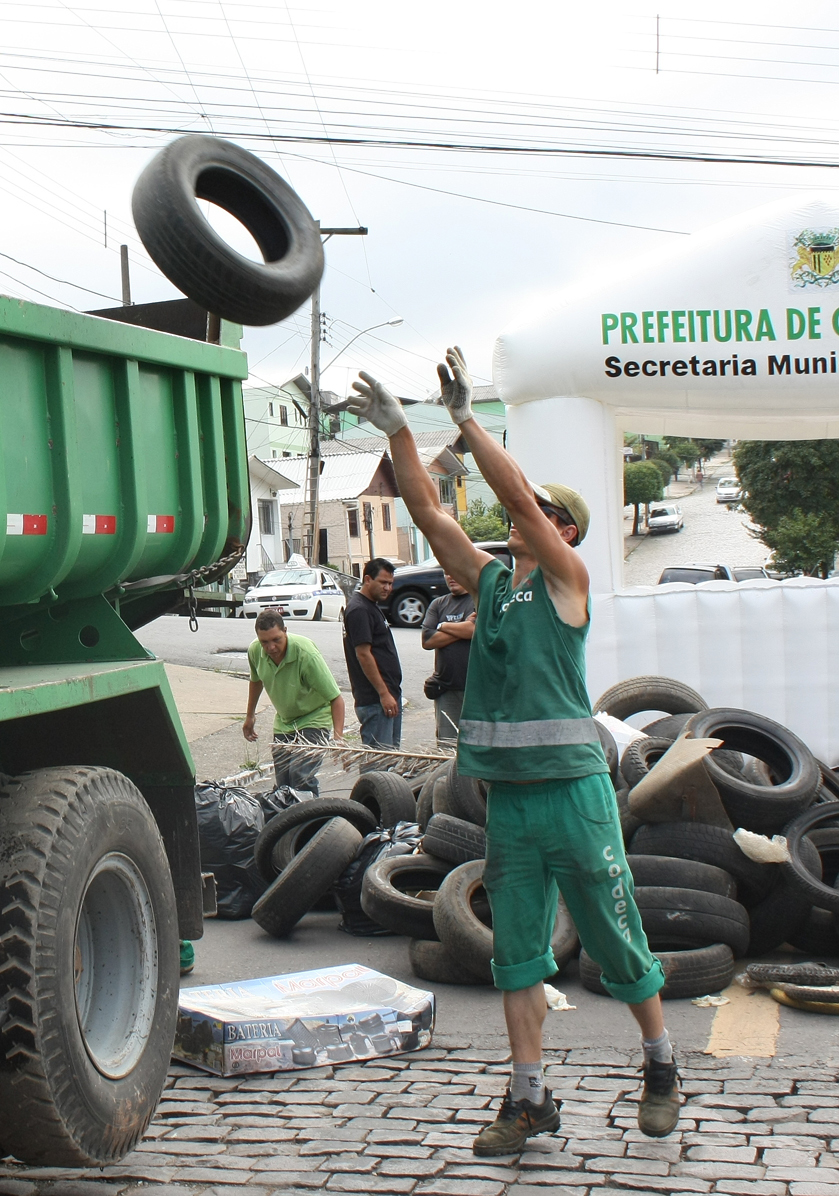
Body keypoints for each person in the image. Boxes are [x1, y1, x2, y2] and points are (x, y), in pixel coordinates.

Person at [347, 347, 679, 1156]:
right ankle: (527, 1099)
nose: (515, 517)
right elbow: (432, 517)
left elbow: (513, 498)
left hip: (574, 795)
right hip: (512, 805)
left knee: (613, 936)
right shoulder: (493, 586)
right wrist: (399, 434)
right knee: (517, 956)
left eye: (535, 510)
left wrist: (465, 420)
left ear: (561, 530)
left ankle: (660, 1062)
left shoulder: (566, 579)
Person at [243, 611, 345, 796]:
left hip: (315, 718)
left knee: (301, 777)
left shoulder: (306, 653)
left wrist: (338, 738)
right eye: (264, 642)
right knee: (284, 783)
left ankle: (312, 820)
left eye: (276, 640)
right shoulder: (255, 650)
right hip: (285, 721)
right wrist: (250, 716)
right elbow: (256, 680)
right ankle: (290, 822)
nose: (271, 647)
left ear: (285, 631)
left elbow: (336, 698)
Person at [342, 560, 403, 748]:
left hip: (388, 696)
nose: (387, 588)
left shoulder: (370, 605)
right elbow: (363, 654)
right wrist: (383, 693)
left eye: (390, 583)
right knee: (378, 764)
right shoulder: (359, 609)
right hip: (375, 700)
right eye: (383, 582)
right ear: (367, 579)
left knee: (391, 761)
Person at [421, 574, 475, 745]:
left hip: (476, 690)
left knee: (475, 746)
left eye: (454, 570)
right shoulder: (438, 604)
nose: (451, 576)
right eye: (446, 572)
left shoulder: (478, 599)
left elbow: (475, 631)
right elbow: (428, 641)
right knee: (447, 746)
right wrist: (462, 628)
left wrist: (443, 626)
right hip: (445, 689)